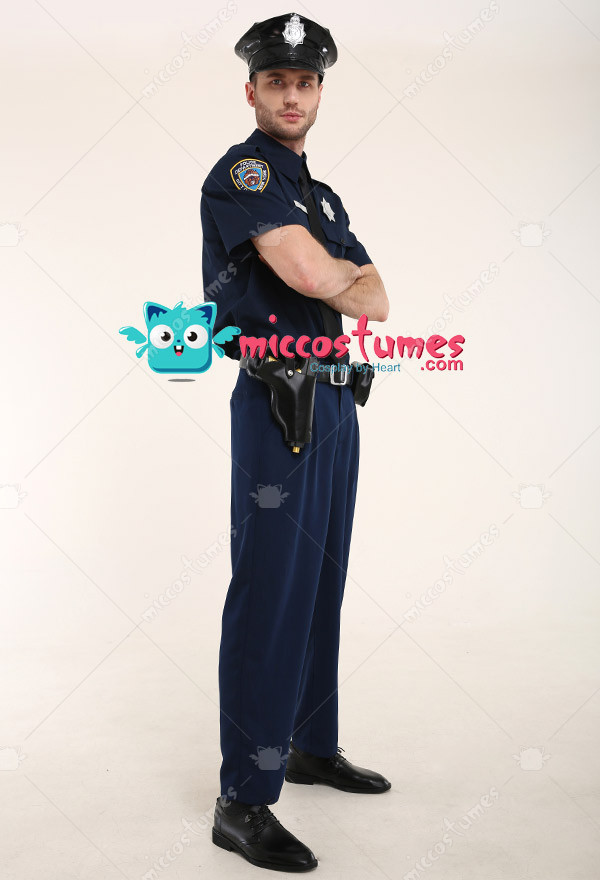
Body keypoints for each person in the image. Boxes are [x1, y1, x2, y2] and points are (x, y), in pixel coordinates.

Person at [200, 12, 390, 873]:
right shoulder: (243, 175)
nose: (292, 94)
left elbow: (377, 298)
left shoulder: (321, 196)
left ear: (320, 93)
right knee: (271, 590)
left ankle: (309, 744)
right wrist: (332, 275)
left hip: (339, 401)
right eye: (276, 80)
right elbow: (317, 276)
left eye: (305, 82)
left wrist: (337, 276)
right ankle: (243, 799)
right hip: (280, 407)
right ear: (252, 91)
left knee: (321, 582)